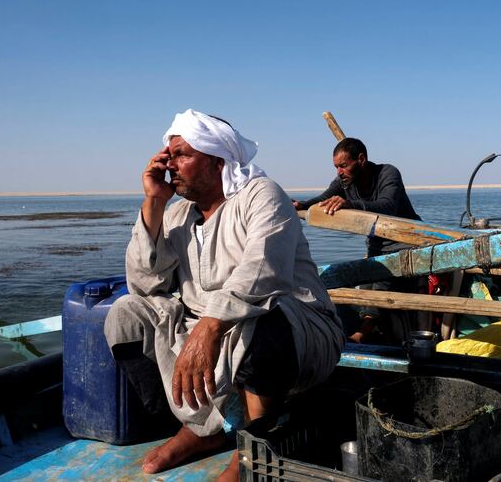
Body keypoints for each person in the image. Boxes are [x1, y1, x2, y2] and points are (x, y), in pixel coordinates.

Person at [104, 109, 345, 479]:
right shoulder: (177, 215)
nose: (170, 165)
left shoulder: (262, 195)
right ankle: (202, 430)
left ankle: (255, 447)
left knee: (261, 318)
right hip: (208, 332)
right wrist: (153, 203)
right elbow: (145, 285)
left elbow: (264, 273)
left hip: (297, 330)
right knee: (126, 314)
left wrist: (210, 326)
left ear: (217, 161)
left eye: (182, 155)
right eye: (168, 156)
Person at [292, 137, 422, 343]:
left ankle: (363, 333)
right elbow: (322, 199)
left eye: (343, 165)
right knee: (364, 278)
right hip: (377, 244)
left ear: (361, 159)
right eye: (336, 167)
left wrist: (349, 204)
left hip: (407, 243)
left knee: (381, 279)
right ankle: (362, 327)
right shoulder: (343, 182)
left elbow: (387, 206)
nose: (339, 172)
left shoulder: (388, 173)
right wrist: (301, 205)